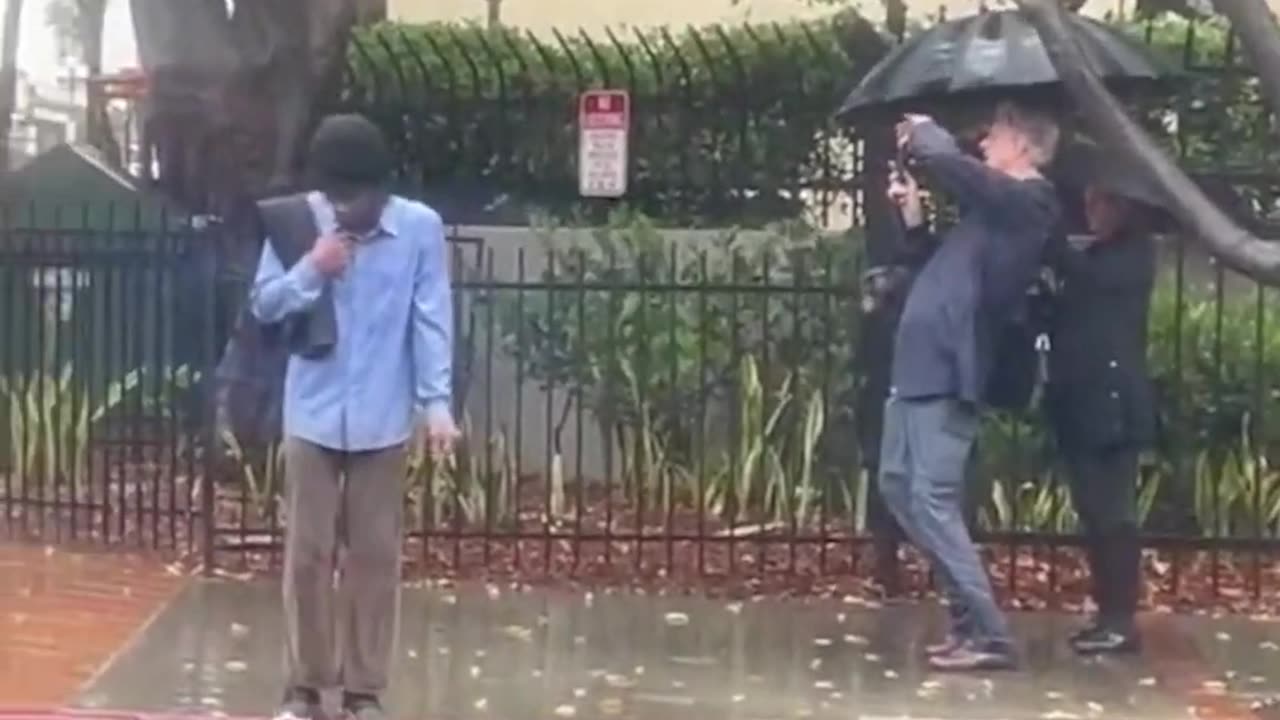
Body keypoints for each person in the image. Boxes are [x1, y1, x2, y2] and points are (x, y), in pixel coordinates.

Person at [249, 113, 460, 720]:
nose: (346, 209)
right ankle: (305, 689)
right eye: (336, 196)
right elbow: (263, 304)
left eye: (356, 197)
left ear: (381, 189)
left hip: (382, 419)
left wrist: (437, 404)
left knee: (374, 555)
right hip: (312, 412)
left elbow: (430, 318)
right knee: (308, 555)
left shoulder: (419, 230)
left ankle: (364, 691)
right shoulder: (296, 222)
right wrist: (313, 267)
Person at [878, 101, 1061, 672]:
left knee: (930, 500)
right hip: (916, 367)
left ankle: (991, 637)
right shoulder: (989, 217)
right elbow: (935, 265)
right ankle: (966, 626)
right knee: (897, 487)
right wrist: (913, 216)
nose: (985, 142)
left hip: (949, 372)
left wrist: (928, 137)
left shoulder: (1030, 202)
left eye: (997, 135)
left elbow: (959, 169)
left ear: (1025, 149)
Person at [1046, 144, 1159, 655]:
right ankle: (1105, 610)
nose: (1090, 212)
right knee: (1092, 510)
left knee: (1113, 513)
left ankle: (1121, 618)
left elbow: (1091, 283)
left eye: (1099, 204)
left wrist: (1050, 241)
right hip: (1083, 400)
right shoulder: (1094, 254)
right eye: (1086, 203)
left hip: (1112, 404)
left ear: (1120, 208)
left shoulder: (1131, 256)